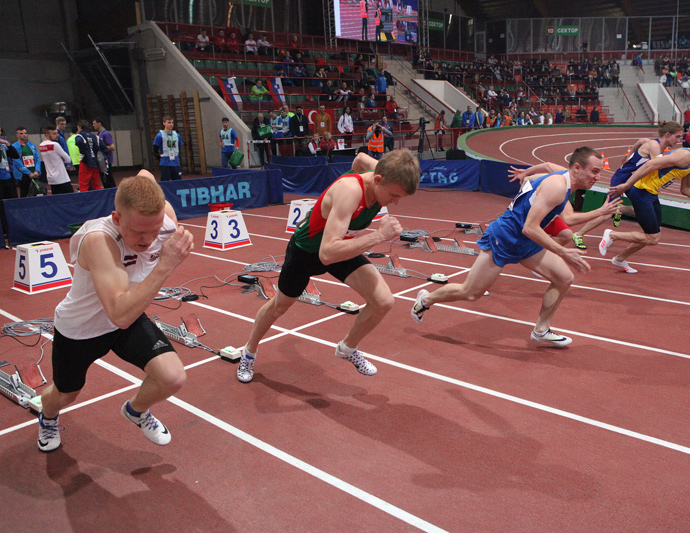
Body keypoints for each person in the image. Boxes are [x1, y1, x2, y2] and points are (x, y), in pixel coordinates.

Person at [36, 171, 194, 452]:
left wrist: (145, 186)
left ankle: (136, 411)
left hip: (127, 319)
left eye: (154, 230)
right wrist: (165, 265)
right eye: (138, 231)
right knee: (66, 393)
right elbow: (118, 313)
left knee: (173, 377)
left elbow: (145, 175)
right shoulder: (100, 240)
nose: (148, 239)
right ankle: (47, 417)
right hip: (82, 329)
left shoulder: (163, 217)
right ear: (117, 218)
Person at [237, 150, 420, 382]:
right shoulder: (350, 191)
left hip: (343, 246)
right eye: (394, 195)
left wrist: (359, 167)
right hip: (308, 252)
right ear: (377, 180)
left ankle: (347, 348)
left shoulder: (381, 173)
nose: (395, 202)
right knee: (279, 307)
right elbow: (326, 253)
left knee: (384, 301)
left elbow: (362, 158)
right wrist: (378, 236)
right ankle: (249, 350)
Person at [411, 147, 618, 347]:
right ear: (577, 168)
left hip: (525, 242)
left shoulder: (563, 178)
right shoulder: (556, 187)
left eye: (599, 172)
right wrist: (563, 250)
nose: (597, 177)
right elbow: (530, 228)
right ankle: (426, 299)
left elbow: (560, 202)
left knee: (564, 278)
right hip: (505, 238)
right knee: (471, 292)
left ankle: (541, 330)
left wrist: (526, 173)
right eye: (594, 171)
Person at [601, 137, 690, 273]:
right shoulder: (684, 156)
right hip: (641, 191)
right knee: (653, 237)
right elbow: (650, 164)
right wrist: (627, 185)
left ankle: (620, 258)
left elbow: (687, 189)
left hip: (651, 194)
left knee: (653, 234)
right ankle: (611, 235)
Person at [571, 120, 684, 250]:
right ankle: (578, 234)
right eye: (678, 136)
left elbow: (640, 141)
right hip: (622, 179)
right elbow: (659, 165)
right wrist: (683, 165)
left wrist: (629, 155)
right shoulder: (654, 146)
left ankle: (620, 209)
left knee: (640, 208)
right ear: (668, 134)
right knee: (608, 212)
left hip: (633, 181)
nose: (679, 140)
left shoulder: (654, 144)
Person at [39, 125, 74, 195]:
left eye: (56, 133)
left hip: (51, 178)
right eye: (54, 134)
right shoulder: (55, 145)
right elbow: (68, 159)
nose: (57, 135)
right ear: (47, 135)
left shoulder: (41, 145)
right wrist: (61, 159)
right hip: (62, 177)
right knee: (70, 198)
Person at [74, 120, 105, 192]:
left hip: (85, 162)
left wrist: (83, 151)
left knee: (83, 184)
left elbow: (78, 142)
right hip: (95, 162)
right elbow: (104, 148)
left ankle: (85, 200)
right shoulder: (95, 137)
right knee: (96, 184)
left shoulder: (80, 135)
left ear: (79, 127)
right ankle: (98, 199)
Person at [11, 126, 43, 197]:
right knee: (25, 193)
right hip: (24, 175)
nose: (24, 135)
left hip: (34, 173)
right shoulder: (14, 146)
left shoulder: (32, 145)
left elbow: (37, 158)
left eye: (25, 133)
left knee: (37, 192)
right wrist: (28, 173)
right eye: (21, 133)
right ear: (17, 135)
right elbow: (17, 162)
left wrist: (37, 171)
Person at [153, 116, 183, 181]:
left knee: (178, 181)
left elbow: (179, 147)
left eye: (172, 123)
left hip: (175, 163)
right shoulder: (159, 136)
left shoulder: (177, 135)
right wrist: (160, 159)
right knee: (165, 182)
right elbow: (154, 150)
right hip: (165, 163)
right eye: (169, 122)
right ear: (164, 123)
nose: (171, 124)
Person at [93, 117, 115, 188]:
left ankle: (112, 191)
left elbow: (112, 147)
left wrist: (102, 148)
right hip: (101, 159)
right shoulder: (98, 134)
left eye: (94, 123)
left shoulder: (105, 134)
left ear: (99, 124)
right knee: (104, 178)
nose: (93, 125)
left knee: (108, 177)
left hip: (106, 159)